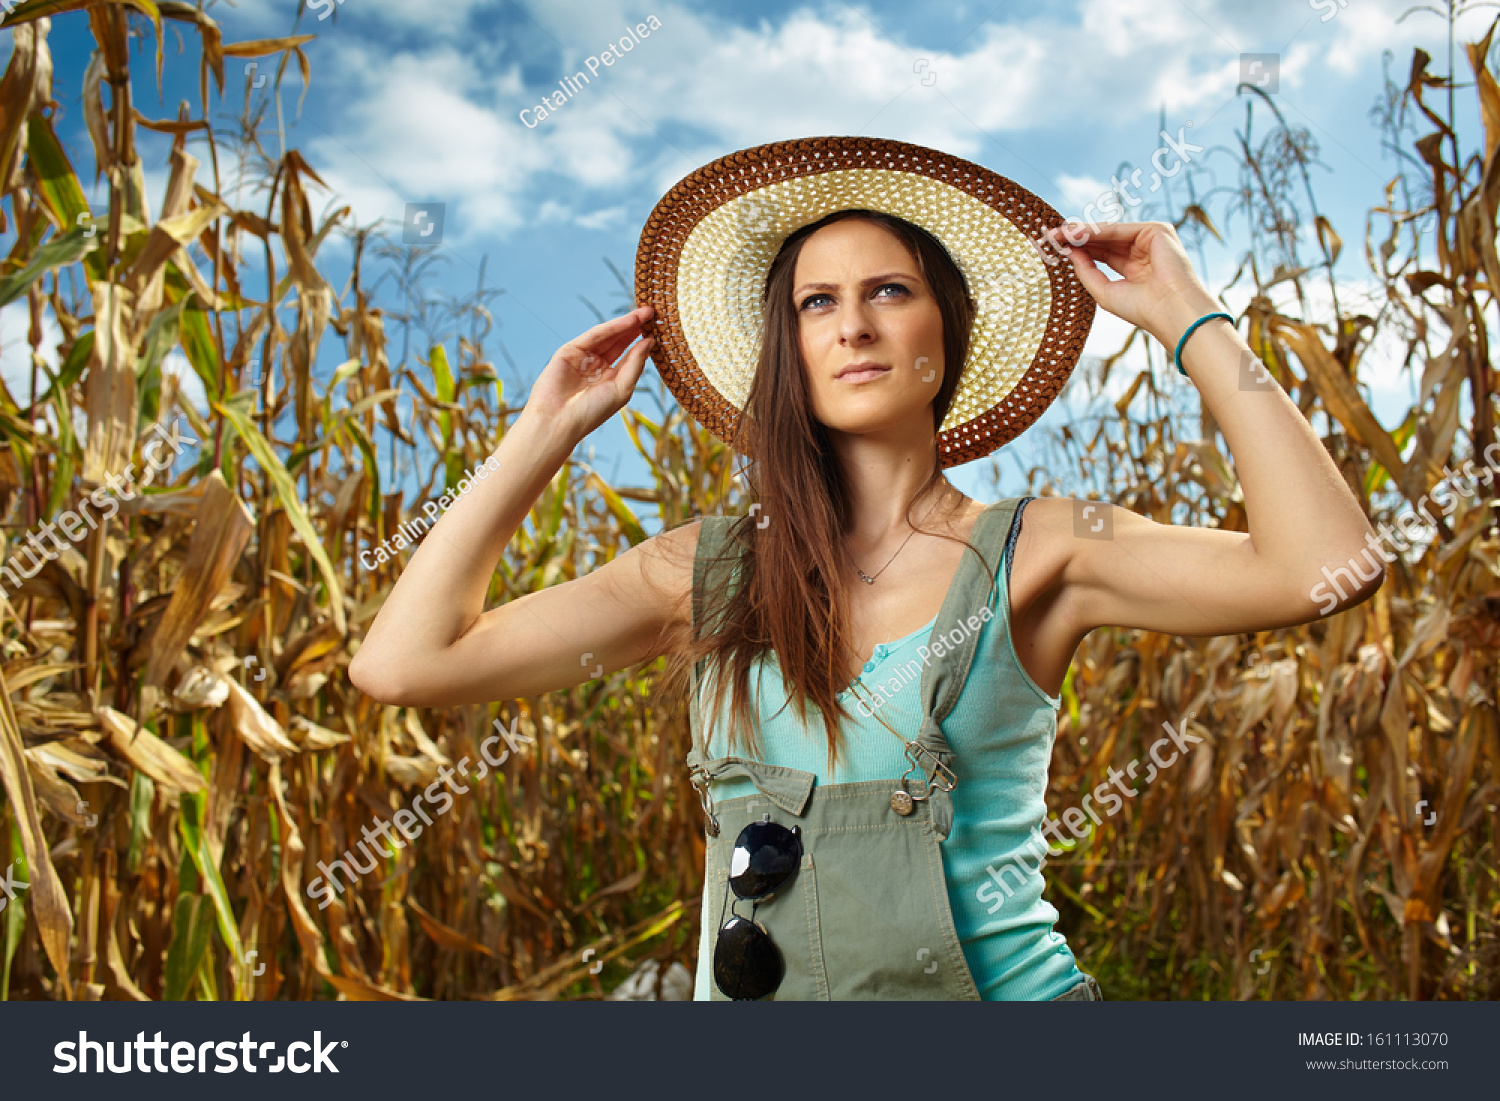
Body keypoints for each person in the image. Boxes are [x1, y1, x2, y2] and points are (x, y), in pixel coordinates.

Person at [349, 138, 1383, 1000]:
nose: (853, 324)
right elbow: (404, 664)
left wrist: (1186, 316)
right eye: (814, 303)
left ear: (947, 330)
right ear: (787, 346)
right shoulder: (702, 574)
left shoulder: (1048, 546)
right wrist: (544, 431)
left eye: (890, 291)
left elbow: (1327, 565)